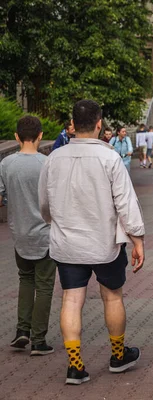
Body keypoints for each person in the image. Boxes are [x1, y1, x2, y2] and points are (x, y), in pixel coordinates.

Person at [38, 100, 145, 385]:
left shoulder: (53, 158)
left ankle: (75, 366)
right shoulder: (109, 158)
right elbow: (125, 202)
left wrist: (55, 221)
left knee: (72, 299)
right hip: (104, 242)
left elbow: (44, 204)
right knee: (112, 295)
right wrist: (137, 238)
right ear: (99, 123)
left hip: (67, 242)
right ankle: (118, 356)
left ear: (73, 123)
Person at [0, 116, 56, 356]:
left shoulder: (6, 164)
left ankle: (21, 330)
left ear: (16, 136)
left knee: (25, 279)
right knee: (44, 286)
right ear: (41, 135)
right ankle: (39, 340)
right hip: (45, 235)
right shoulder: (48, 163)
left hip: (19, 234)